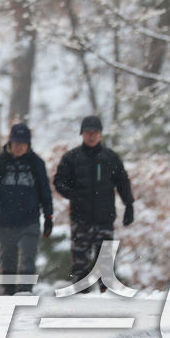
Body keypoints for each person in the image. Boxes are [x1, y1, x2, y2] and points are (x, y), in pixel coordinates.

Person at [52, 115, 133, 289]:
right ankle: (80, 302)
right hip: (81, 218)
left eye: (95, 132)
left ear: (100, 134)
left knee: (106, 265)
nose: (91, 136)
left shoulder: (110, 157)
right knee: (80, 265)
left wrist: (129, 205)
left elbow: (123, 182)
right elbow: (59, 181)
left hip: (105, 218)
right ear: (82, 134)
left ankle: (107, 304)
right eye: (88, 132)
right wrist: (73, 195)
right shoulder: (72, 157)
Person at [0, 122, 53, 294]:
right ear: (9, 142)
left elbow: (45, 191)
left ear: (28, 144)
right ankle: (9, 294)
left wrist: (48, 216)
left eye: (23, 143)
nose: (19, 146)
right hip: (4, 220)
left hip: (30, 219)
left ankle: (25, 292)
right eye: (16, 142)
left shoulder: (37, 164)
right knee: (7, 262)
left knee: (28, 257)